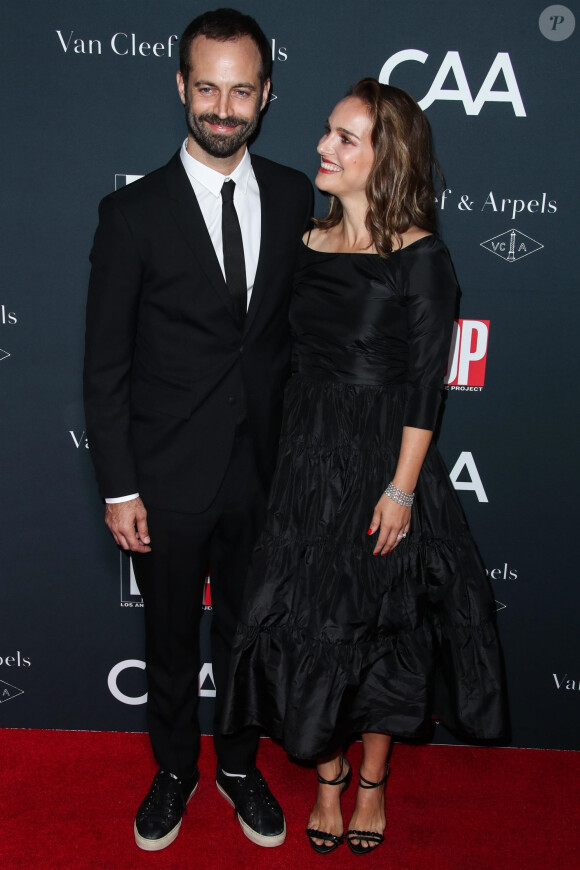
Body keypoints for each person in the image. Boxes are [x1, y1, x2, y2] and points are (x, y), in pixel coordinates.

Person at [222, 79, 508, 855]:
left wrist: (401, 489)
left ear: (387, 159)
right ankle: (327, 776)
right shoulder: (306, 242)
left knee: (383, 625)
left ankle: (372, 783)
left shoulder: (421, 256)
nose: (324, 146)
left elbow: (425, 388)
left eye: (347, 138)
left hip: (384, 460)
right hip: (304, 456)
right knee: (310, 621)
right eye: (328, 130)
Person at [83, 8, 312, 852]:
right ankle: (176, 769)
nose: (223, 107)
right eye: (208, 87)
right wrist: (118, 484)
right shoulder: (131, 214)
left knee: (249, 635)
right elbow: (103, 367)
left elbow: (303, 336)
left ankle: (241, 766)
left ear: (265, 96)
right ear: (182, 86)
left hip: (266, 474)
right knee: (171, 634)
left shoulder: (295, 197)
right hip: (167, 479)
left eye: (241, 90)